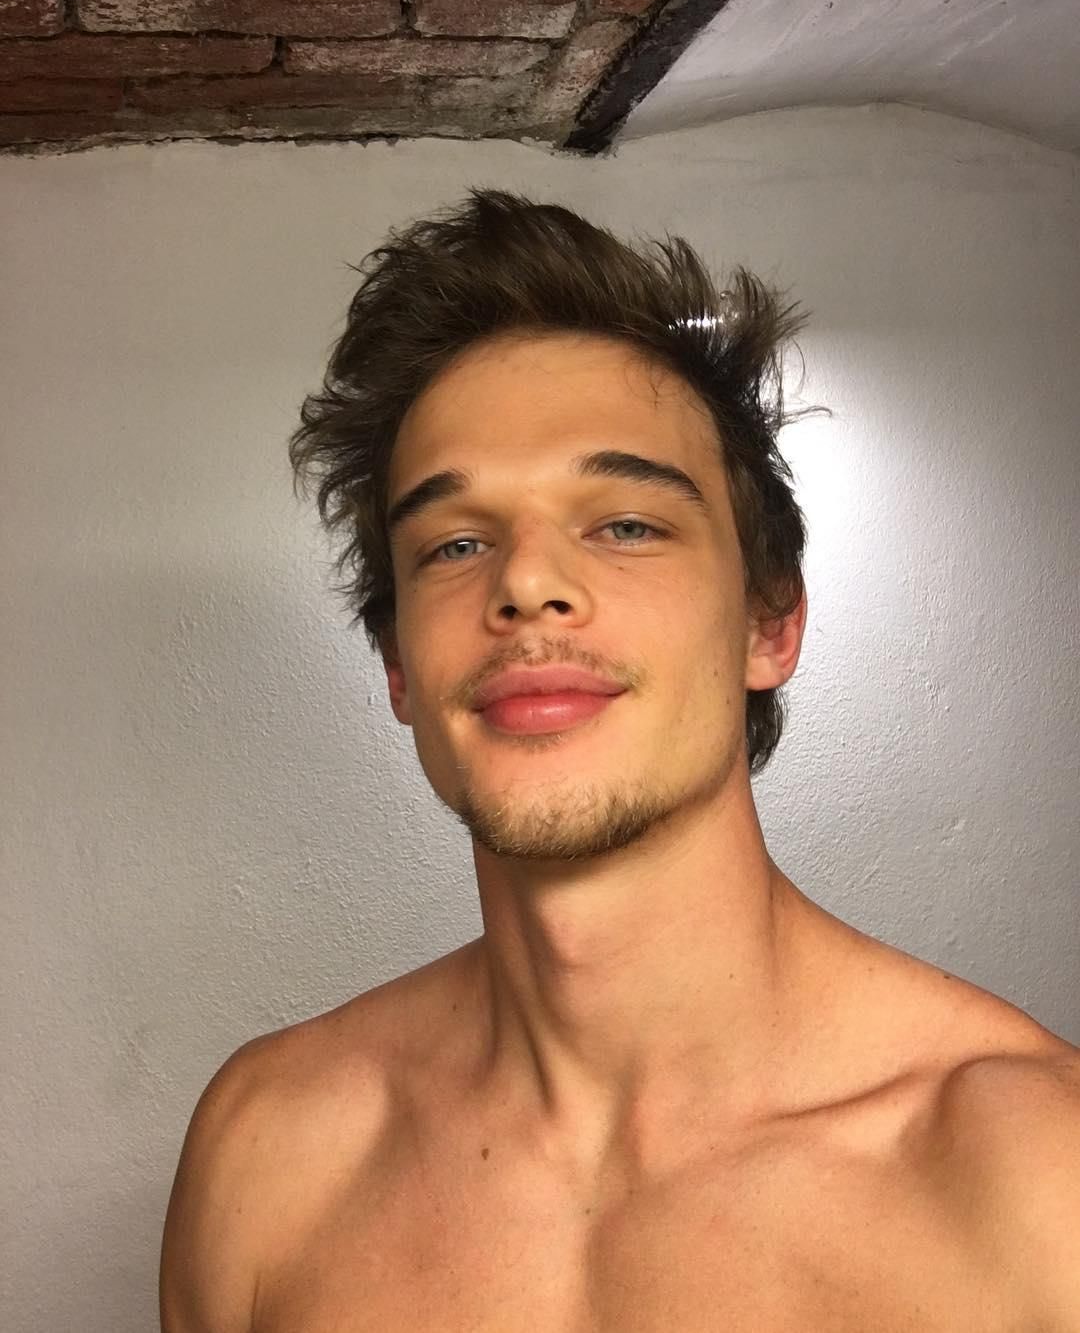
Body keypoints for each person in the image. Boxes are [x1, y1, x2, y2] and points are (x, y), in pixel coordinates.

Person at [160, 189, 1080, 1332]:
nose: (525, 582)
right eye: (455, 542)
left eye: (627, 524)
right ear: (398, 664)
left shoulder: (1041, 1177)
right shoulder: (266, 1154)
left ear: (768, 622)